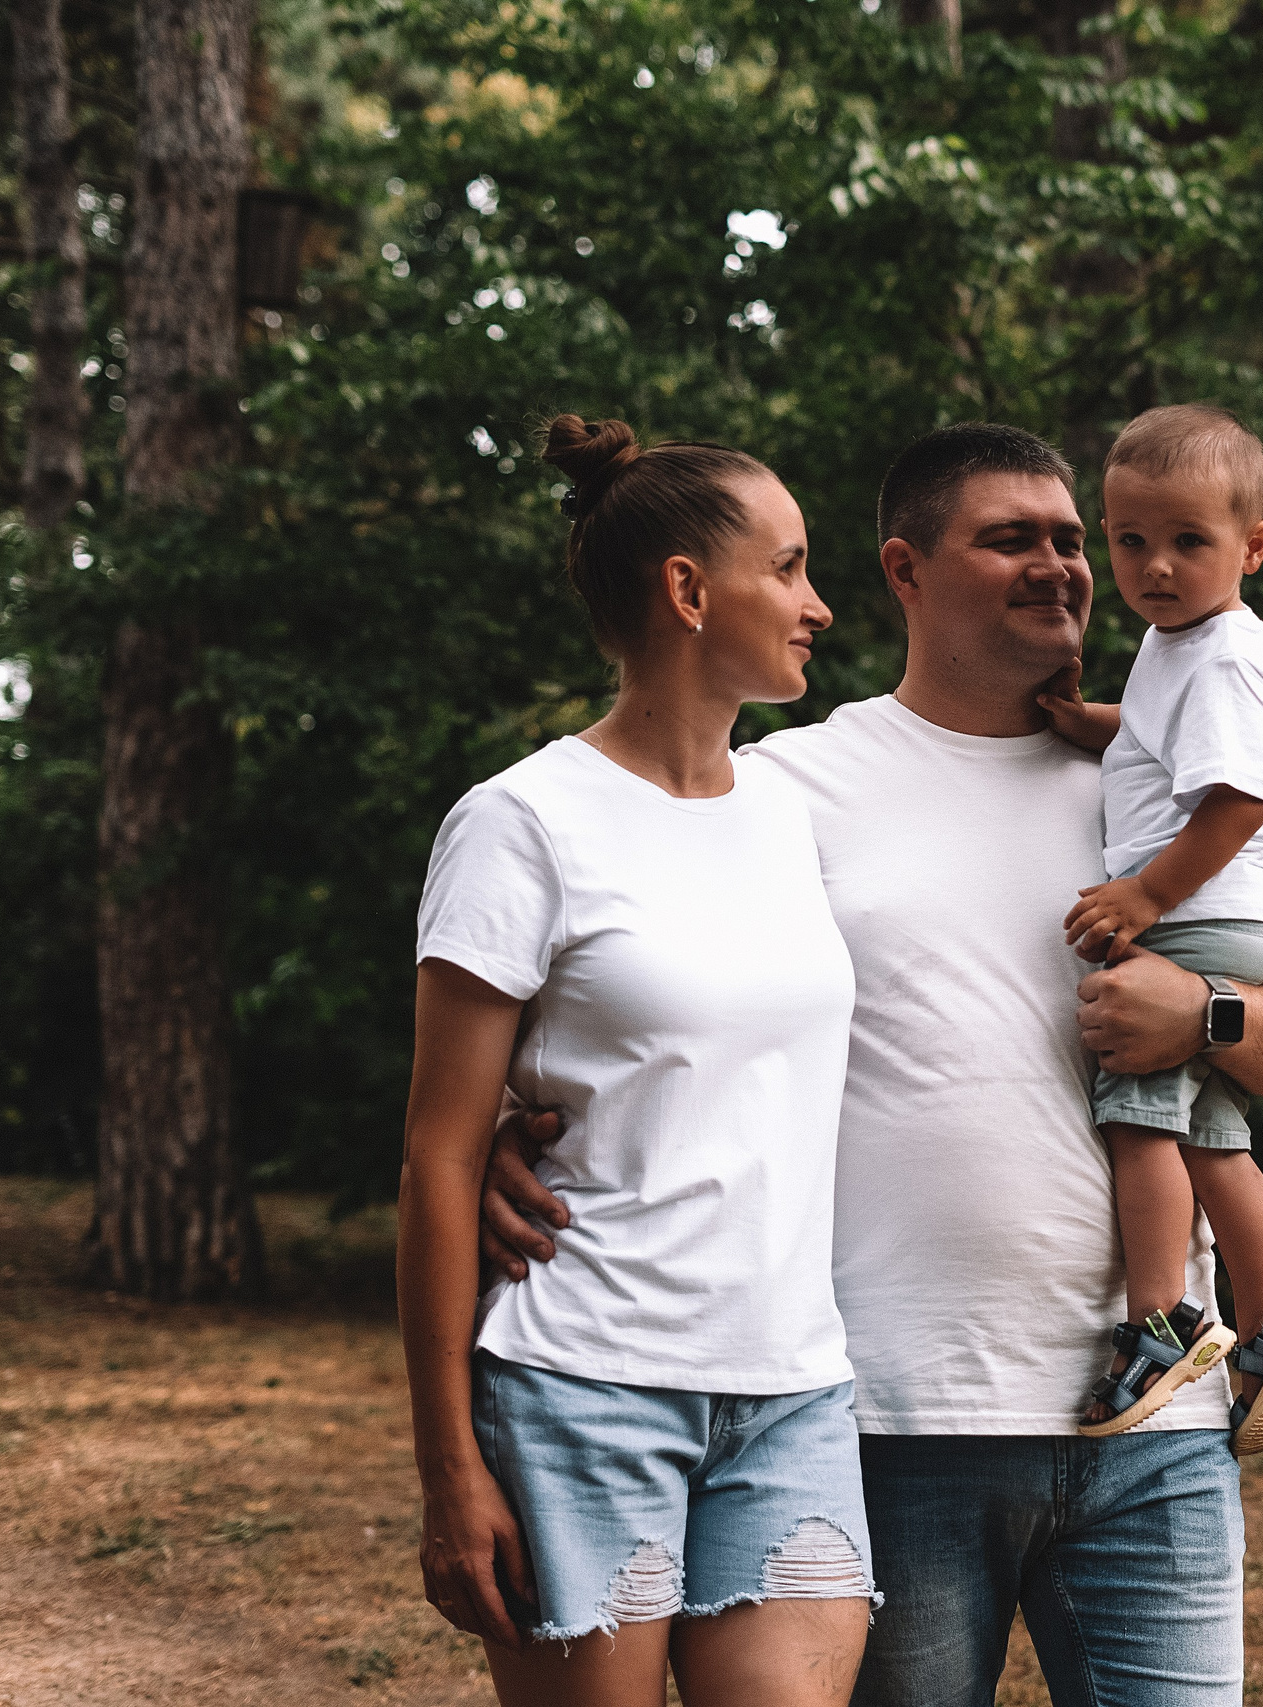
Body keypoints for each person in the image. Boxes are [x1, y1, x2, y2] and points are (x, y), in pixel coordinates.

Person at [479, 422, 1263, 1707]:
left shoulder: (1152, 787)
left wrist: (1202, 1015)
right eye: (1013, 539)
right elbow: (639, 991)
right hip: (893, 1419)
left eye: (1071, 539)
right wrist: (517, 1117)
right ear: (903, 569)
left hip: (1153, 1421)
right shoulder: (790, 788)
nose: (1060, 566)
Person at [398, 415, 877, 1707]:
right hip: (578, 1387)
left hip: (791, 1388)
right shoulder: (521, 822)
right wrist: (450, 1467)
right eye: (787, 568)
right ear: (685, 589)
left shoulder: (791, 809)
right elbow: (440, 1154)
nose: (818, 603)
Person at [1041, 405, 1263, 1455]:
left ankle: (1159, 1322)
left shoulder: (1220, 652)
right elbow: (1165, 742)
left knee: (1139, 1124)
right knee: (1217, 1145)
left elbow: (1236, 799)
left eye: (1187, 542)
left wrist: (1146, 898)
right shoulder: (1181, 648)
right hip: (1236, 928)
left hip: (1204, 923)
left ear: (1252, 546)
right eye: (1128, 540)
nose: (1153, 567)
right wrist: (1095, 726)